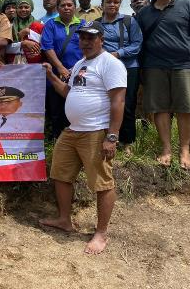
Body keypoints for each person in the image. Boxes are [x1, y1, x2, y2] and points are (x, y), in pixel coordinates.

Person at [40, 20, 127, 255]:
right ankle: (64, 220)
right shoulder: (79, 63)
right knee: (60, 174)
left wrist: (112, 136)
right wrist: (50, 75)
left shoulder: (111, 64)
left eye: (91, 37)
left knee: (102, 183)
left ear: (101, 39)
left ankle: (101, 233)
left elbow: (118, 101)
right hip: (73, 130)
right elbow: (68, 92)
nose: (85, 42)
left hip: (96, 131)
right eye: (82, 38)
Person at [136, 0, 190, 169]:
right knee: (159, 107)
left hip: (184, 64)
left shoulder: (187, 6)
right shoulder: (144, 13)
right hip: (154, 65)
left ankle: (185, 150)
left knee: (186, 108)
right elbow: (139, 42)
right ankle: (166, 149)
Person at [97, 0, 142, 150]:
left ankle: (127, 141)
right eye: (109, 1)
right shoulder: (97, 23)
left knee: (127, 104)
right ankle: (109, 139)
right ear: (102, 4)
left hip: (129, 67)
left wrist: (117, 54)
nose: (112, 5)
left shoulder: (129, 21)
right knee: (106, 103)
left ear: (119, 4)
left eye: (115, 2)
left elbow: (137, 44)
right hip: (105, 69)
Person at [41, 0, 85, 139]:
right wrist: (60, 67)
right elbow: (47, 47)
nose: (66, 8)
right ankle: (56, 140)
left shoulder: (83, 24)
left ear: (75, 7)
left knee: (76, 107)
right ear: (58, 8)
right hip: (55, 73)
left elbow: (89, 47)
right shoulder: (51, 24)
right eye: (63, 5)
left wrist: (74, 70)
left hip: (79, 73)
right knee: (56, 109)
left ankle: (76, 140)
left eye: (69, 5)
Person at [5, 0, 42, 64]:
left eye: (26, 7)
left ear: (31, 8)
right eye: (20, 7)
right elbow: (4, 48)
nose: (23, 10)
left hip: (34, 63)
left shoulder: (39, 24)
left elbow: (46, 43)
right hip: (13, 64)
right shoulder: (9, 25)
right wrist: (22, 44)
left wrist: (30, 32)